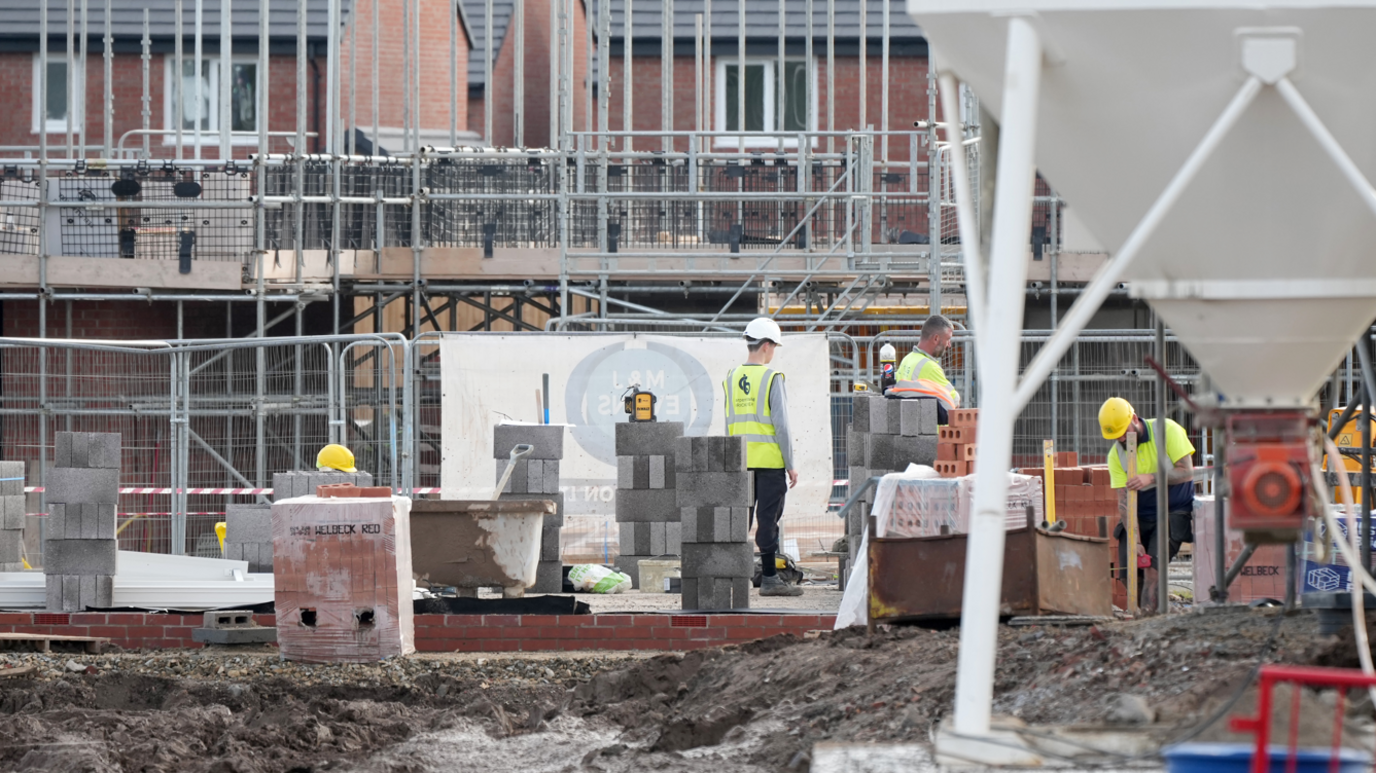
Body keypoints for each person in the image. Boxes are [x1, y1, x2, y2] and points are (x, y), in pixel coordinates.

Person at [725, 317, 803, 597]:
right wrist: (790, 465)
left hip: (740, 463)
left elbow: (728, 423)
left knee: (738, 522)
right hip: (769, 463)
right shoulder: (772, 378)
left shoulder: (731, 377)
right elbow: (781, 426)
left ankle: (731, 580)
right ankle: (769, 579)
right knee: (767, 521)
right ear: (767, 346)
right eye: (775, 347)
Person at [1100, 397, 1195, 613]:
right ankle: (1153, 611)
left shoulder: (1167, 430)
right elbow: (1123, 501)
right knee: (1128, 573)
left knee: (1153, 570)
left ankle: (1149, 622)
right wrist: (1135, 539)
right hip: (1141, 515)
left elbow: (1187, 472)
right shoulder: (1116, 455)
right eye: (1116, 436)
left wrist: (1151, 477)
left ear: (1134, 419)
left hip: (1172, 512)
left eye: (1124, 432)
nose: (1122, 439)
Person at [889, 314, 960, 424]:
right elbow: (954, 401)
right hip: (931, 435)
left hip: (908, 428)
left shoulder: (907, 359)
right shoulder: (929, 367)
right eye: (948, 339)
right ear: (936, 338)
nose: (949, 345)